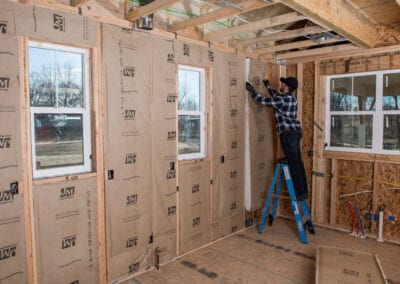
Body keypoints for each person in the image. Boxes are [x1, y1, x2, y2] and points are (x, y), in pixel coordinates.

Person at [245, 77, 308, 201]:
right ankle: (303, 191)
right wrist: (268, 87)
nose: (281, 84)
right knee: (297, 163)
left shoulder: (281, 100)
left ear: (286, 87)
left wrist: (251, 90)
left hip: (288, 135)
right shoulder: (291, 98)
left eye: (283, 83)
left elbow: (261, 100)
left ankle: (300, 193)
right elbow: (277, 97)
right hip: (295, 133)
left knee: (294, 164)